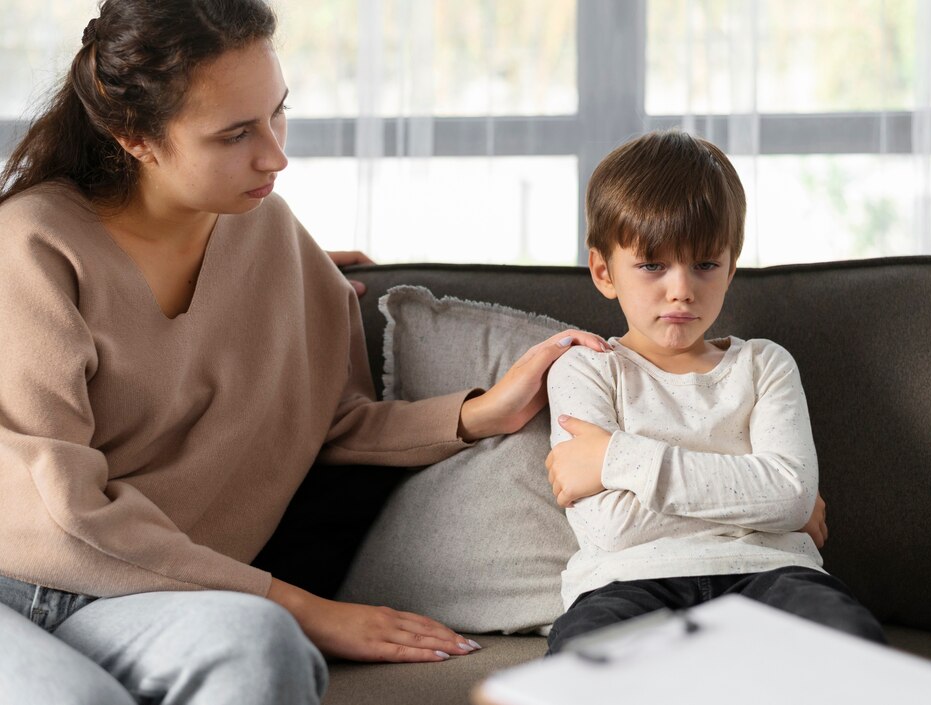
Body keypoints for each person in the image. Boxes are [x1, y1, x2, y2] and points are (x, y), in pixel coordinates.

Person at [0, 1, 608, 702]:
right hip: (18, 582)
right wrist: (309, 608)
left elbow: (329, 424)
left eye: (276, 113)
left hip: (142, 601)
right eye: (235, 135)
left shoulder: (272, 238)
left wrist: (477, 415)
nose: (276, 155)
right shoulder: (33, 247)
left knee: (261, 645)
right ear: (134, 135)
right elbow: (58, 515)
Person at [544, 130, 886, 654]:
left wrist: (616, 459)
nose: (681, 288)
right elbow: (611, 527)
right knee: (584, 667)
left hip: (772, 574)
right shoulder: (585, 369)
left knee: (851, 644)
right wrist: (759, 497)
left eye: (704, 264)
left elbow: (791, 497)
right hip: (626, 584)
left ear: (730, 266)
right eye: (653, 264)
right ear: (603, 271)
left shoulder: (764, 364)